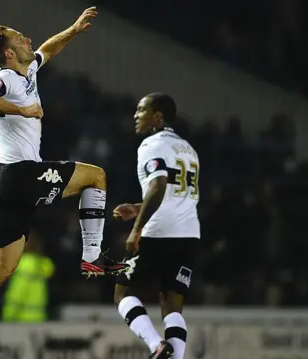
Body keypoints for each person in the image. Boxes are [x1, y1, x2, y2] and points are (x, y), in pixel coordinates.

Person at [0, 7, 128, 359]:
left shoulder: (28, 71)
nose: (27, 38)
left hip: (2, 182)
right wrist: (21, 111)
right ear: (8, 52)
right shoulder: (7, 78)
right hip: (20, 174)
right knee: (97, 176)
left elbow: (49, 48)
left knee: (2, 267)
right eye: (18, 37)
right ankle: (92, 256)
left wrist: (72, 29)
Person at [113, 93, 200, 359]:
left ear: (158, 116)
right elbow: (177, 193)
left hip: (158, 232)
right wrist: (139, 208)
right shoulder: (188, 149)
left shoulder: (152, 145)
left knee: (122, 293)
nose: (136, 116)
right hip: (187, 235)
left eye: (142, 110)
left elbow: (158, 185)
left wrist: (137, 227)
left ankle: (156, 346)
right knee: (172, 305)